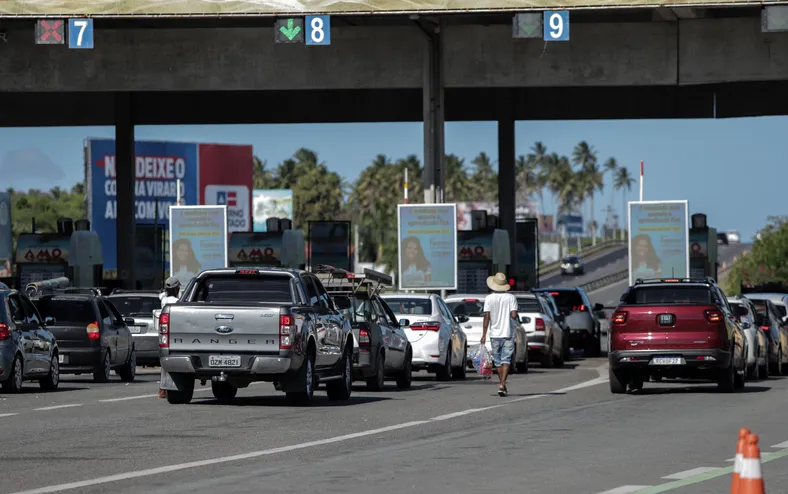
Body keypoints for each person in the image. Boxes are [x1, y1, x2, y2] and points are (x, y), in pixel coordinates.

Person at [479, 272, 518, 397]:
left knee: (498, 361)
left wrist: (484, 334)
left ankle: (501, 383)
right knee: (506, 359)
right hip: (508, 333)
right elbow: (513, 315)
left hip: (494, 334)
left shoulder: (489, 298)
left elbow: (486, 318)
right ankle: (502, 384)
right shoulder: (511, 298)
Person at [157, 276, 181, 399]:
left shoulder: (163, 299)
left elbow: (161, 295)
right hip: (172, 333)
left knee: (164, 361)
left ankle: (162, 389)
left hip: (163, 333)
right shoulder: (175, 301)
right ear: (176, 288)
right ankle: (164, 389)